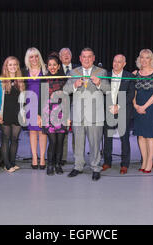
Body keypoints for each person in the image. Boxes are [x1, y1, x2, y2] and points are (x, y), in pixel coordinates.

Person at [63, 47, 111, 181]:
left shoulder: (101, 71)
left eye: (89, 56)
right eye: (84, 56)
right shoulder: (74, 72)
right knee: (78, 143)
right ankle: (78, 166)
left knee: (95, 143)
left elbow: (108, 90)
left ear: (93, 58)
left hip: (95, 115)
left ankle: (96, 167)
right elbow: (65, 90)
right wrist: (74, 85)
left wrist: (100, 83)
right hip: (78, 114)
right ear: (80, 58)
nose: (86, 59)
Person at [101, 54, 135, 175]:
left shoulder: (129, 76)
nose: (116, 64)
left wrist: (118, 106)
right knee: (107, 137)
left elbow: (130, 95)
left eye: (119, 62)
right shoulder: (105, 75)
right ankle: (107, 162)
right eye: (114, 61)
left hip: (123, 110)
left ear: (124, 64)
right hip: (108, 110)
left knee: (124, 138)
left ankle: (125, 164)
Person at [132, 49, 153, 173]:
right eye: (142, 57)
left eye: (147, 58)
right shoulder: (135, 73)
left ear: (151, 60)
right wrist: (135, 105)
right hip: (138, 106)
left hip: (150, 107)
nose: (144, 60)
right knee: (140, 135)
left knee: (149, 135)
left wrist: (143, 107)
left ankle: (150, 161)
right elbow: (132, 92)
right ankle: (144, 160)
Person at [38, 55, 68, 175]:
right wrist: (39, 115)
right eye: (50, 65)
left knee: (60, 141)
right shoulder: (44, 79)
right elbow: (41, 98)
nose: (52, 67)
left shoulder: (64, 79)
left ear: (59, 66)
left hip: (61, 113)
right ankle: (50, 165)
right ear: (47, 66)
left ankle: (58, 164)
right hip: (48, 114)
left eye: (54, 65)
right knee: (53, 141)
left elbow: (67, 99)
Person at [0, 56, 25, 173]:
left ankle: (13, 162)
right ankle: (7, 164)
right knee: (5, 139)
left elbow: (23, 100)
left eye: (15, 64)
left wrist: (23, 114)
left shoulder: (21, 80)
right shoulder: (1, 80)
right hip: (5, 113)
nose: (13, 67)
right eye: (10, 64)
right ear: (6, 66)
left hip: (17, 113)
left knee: (15, 139)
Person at [23, 47, 48, 169]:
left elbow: (47, 91)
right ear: (28, 58)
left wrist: (40, 112)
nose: (34, 59)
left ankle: (42, 158)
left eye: (36, 56)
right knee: (32, 132)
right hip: (29, 105)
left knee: (42, 132)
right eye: (31, 56)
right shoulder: (24, 71)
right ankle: (34, 157)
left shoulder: (45, 71)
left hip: (43, 105)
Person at [59, 47, 79, 165]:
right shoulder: (56, 68)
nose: (66, 56)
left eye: (68, 54)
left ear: (71, 56)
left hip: (76, 104)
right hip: (61, 103)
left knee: (77, 132)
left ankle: (78, 158)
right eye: (63, 54)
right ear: (60, 57)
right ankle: (62, 158)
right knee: (63, 132)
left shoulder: (78, 68)